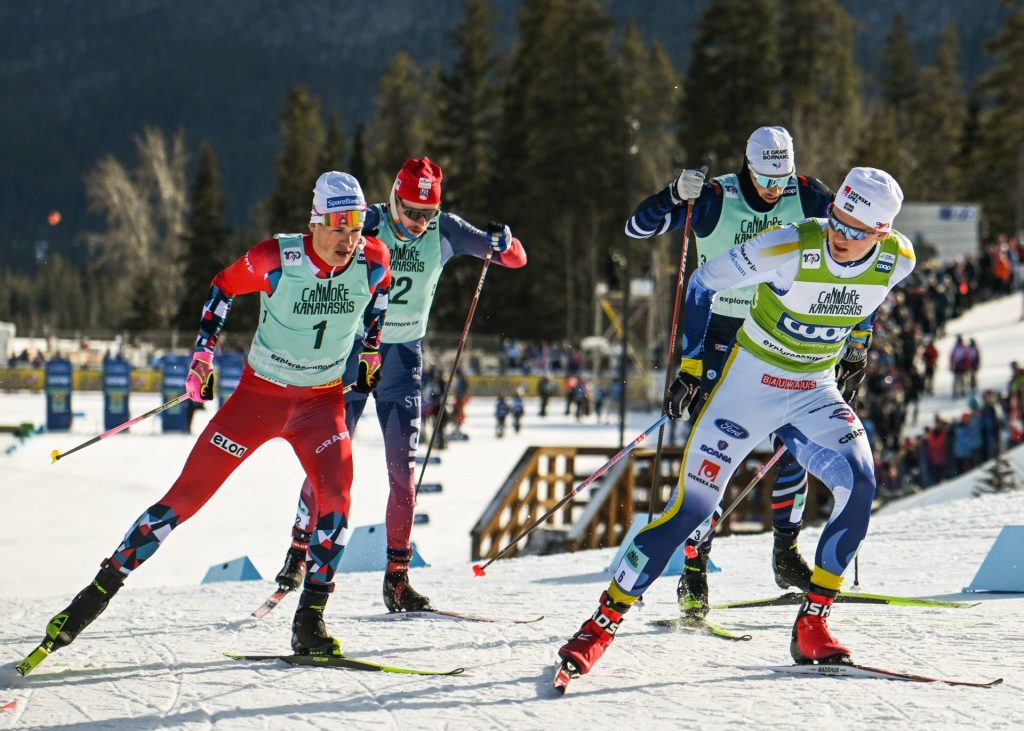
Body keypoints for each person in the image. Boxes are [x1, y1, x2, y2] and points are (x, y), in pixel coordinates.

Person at [558, 167, 914, 680]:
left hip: (813, 389)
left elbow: (869, 295)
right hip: (749, 388)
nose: (840, 236)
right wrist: (692, 363)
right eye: (836, 219)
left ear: (881, 233)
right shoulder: (790, 246)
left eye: (857, 232)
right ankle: (598, 626)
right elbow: (702, 284)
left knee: (860, 483)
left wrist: (857, 343)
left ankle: (813, 623)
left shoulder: (899, 257)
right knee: (689, 510)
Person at [29, 172, 391, 662]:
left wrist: (370, 350)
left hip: (320, 405)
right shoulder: (275, 259)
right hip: (258, 400)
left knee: (338, 499)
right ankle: (90, 599)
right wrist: (202, 357)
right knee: (184, 498)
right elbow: (221, 288)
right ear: (315, 222)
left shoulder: (373, 259)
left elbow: (381, 296)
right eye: (338, 225)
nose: (349, 239)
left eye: (357, 226)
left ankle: (310, 621)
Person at [273, 157, 527, 612]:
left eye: (427, 214)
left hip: (403, 358)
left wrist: (502, 241)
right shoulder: (366, 221)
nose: (418, 223)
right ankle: (298, 549)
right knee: (326, 459)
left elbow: (516, 258)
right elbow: (316, 245)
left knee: (402, 475)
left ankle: (397, 578)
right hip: (353, 354)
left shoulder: (445, 229)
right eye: (410, 212)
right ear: (393, 197)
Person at [625, 126, 852, 619]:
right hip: (719, 334)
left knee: (795, 444)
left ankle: (786, 552)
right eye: (767, 178)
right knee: (713, 453)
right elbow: (636, 230)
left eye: (782, 178)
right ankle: (693, 569)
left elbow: (852, 246)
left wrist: (852, 338)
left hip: (781, 332)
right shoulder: (714, 198)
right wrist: (670, 196)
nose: (775, 190)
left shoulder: (810, 194)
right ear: (748, 166)